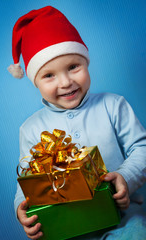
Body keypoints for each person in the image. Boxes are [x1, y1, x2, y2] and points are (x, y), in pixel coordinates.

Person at [8, 6, 146, 240]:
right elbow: (29, 182)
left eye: (73, 67)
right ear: (35, 81)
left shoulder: (113, 105)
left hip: (123, 219)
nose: (65, 82)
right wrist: (22, 208)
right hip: (66, 228)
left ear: (86, 64)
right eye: (49, 75)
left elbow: (141, 149)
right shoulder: (30, 128)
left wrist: (125, 176)